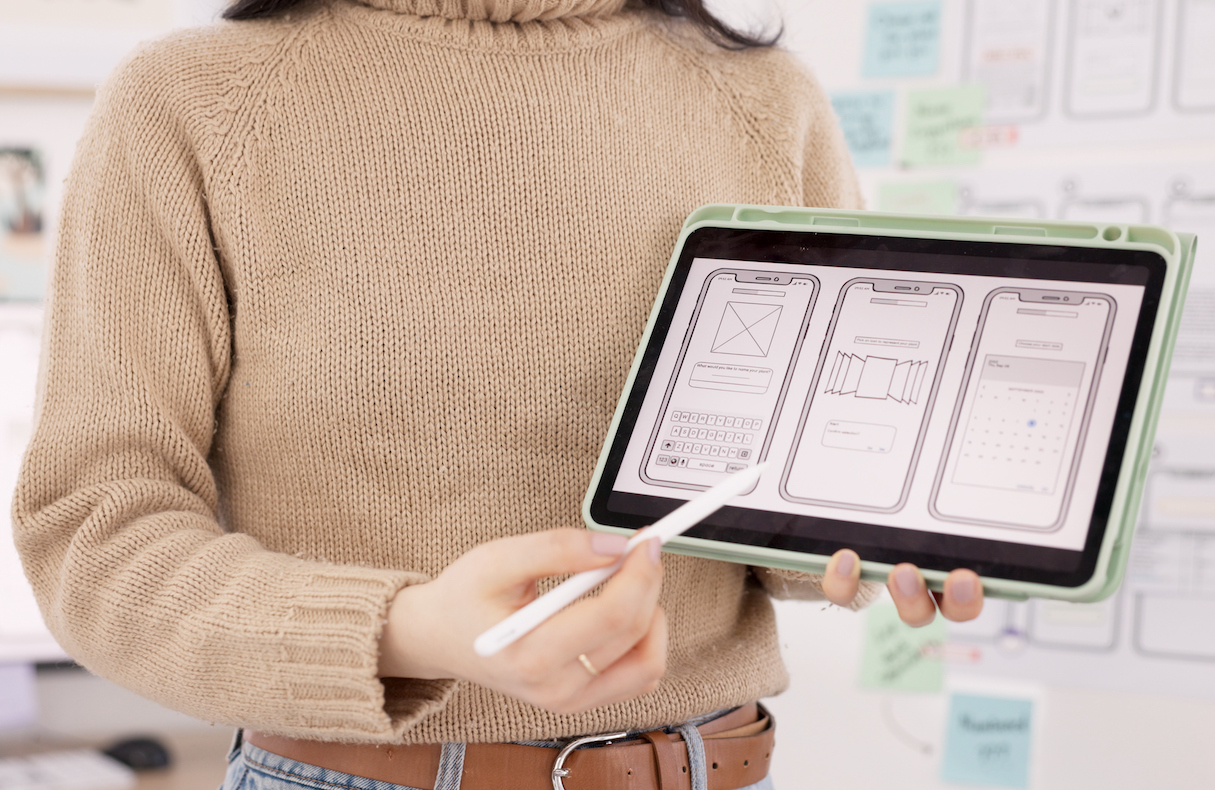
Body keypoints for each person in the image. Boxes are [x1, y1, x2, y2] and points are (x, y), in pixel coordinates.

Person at [12, 0, 984, 788]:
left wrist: (885, 532)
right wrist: (409, 630)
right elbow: (97, 534)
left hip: (715, 766)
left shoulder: (769, 102)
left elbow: (772, 506)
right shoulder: (191, 101)